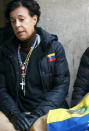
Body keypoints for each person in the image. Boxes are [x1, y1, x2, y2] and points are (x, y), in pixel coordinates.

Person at [0, 0, 70, 131]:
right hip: (16, 112)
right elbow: (1, 90)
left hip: (47, 111)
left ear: (34, 19)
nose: (17, 25)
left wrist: (37, 114)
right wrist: (15, 115)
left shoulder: (53, 48)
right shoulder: (6, 51)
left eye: (21, 19)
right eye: (13, 21)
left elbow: (61, 86)